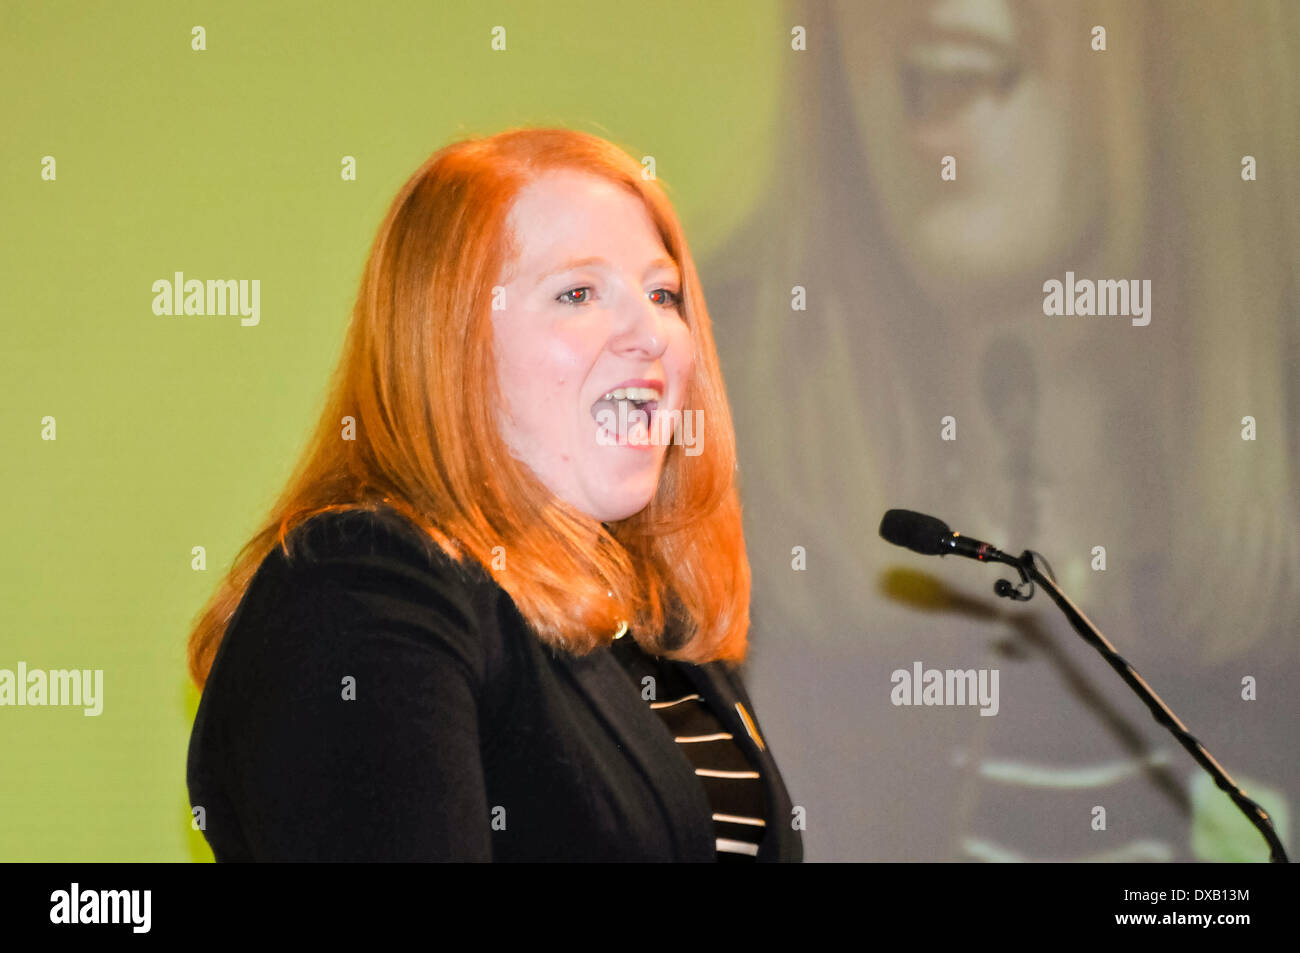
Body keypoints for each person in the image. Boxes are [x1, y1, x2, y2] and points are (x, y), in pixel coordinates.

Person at [184, 126, 803, 862]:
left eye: (663, 292)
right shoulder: (364, 582)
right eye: (578, 292)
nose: (652, 332)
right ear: (452, 345)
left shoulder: (654, 617)